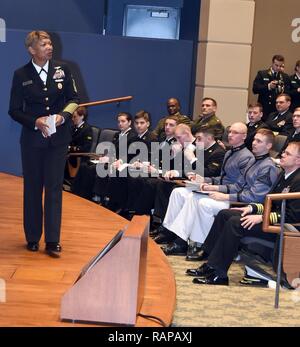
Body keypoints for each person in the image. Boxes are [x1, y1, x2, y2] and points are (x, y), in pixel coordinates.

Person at [187, 142, 300, 286]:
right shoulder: (285, 174)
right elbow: (269, 202)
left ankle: (219, 274)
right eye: (284, 151)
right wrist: (251, 209)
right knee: (225, 214)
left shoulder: (298, 180)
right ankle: (210, 263)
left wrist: (262, 217)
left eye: (288, 153)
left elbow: (293, 216)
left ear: (298, 160)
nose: (282, 154)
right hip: (270, 221)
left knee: (235, 223)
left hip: (284, 229)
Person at [8, 31, 79, 257]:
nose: (49, 47)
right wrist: (35, 122)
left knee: (54, 190)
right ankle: (32, 237)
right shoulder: (21, 75)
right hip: (32, 141)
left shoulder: (63, 70)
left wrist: (63, 117)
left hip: (58, 140)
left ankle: (52, 241)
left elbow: (74, 99)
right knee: (32, 189)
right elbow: (14, 110)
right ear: (32, 50)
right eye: (44, 44)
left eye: (49, 43)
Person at [159, 128, 278, 259]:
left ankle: (199, 245)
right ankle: (180, 238)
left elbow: (255, 197)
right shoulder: (252, 160)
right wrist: (206, 181)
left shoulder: (263, 164)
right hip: (235, 196)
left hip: (245, 205)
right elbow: (234, 183)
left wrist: (223, 194)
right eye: (254, 139)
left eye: (259, 141)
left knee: (202, 202)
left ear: (269, 146)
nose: (254, 143)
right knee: (183, 193)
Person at [153, 122, 255, 249]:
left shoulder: (246, 157)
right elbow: (221, 178)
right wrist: (204, 179)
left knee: (193, 198)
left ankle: (182, 242)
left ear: (244, 136)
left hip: (228, 196)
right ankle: (169, 231)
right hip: (219, 190)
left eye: (235, 132)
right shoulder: (229, 153)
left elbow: (238, 186)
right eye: (229, 132)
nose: (230, 135)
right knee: (178, 192)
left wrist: (212, 186)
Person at [252, 54, 290, 120]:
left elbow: (288, 93)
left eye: (280, 66)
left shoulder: (285, 77)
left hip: (278, 109)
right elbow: (255, 89)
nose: (278, 68)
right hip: (265, 108)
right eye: (276, 65)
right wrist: (268, 86)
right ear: (272, 63)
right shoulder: (262, 74)